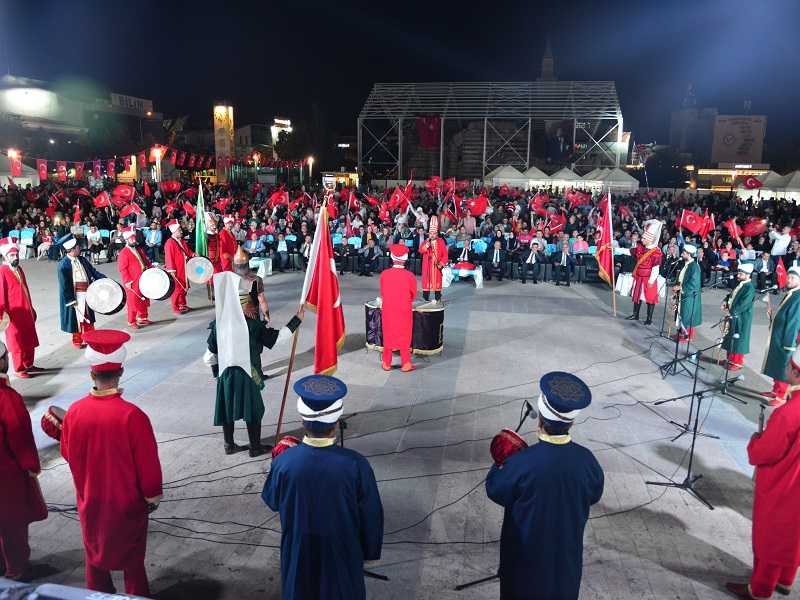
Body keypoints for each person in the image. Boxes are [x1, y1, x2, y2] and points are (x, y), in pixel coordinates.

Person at [262, 375, 383, 600]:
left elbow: (272, 500)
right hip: (341, 550)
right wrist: (370, 552)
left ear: (302, 420)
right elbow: (371, 513)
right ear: (336, 423)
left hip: (299, 550)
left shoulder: (284, 462)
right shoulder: (356, 464)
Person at [60, 329, 162, 597]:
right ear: (121, 372)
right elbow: (148, 466)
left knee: (95, 557)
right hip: (126, 504)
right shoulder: (133, 416)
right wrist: (151, 496)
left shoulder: (74, 412)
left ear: (92, 373)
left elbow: (68, 453)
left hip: (90, 500)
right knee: (132, 563)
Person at [486, 371, 604, 600]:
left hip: (524, 565)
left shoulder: (521, 462)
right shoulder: (587, 460)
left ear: (540, 418)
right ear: (572, 421)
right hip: (565, 567)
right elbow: (595, 494)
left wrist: (500, 461)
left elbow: (495, 489)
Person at [725, 347, 800, 599]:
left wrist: (756, 441)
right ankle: (785, 580)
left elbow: (765, 452)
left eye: (789, 365)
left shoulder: (789, 413)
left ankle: (760, 589)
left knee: (772, 534)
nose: (786, 368)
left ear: (797, 372)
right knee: (794, 535)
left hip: (785, 483)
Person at [204, 271, 303, 456]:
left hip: (226, 375)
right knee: (253, 410)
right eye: (249, 302)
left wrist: (218, 373)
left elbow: (209, 355)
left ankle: (229, 445)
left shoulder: (218, 324)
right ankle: (255, 447)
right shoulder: (252, 325)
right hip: (248, 374)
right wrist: (297, 320)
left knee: (227, 409)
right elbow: (277, 338)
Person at [0, 340, 42, 580]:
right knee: (12, 525)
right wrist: (31, 466)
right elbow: (20, 435)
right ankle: (16, 571)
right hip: (6, 474)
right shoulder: (7, 398)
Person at [0, 238, 41, 377]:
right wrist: (3, 315)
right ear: (5, 256)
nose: (15, 257)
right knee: (17, 342)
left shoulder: (19, 269)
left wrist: (31, 307)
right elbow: (1, 295)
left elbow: (25, 290)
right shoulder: (2, 271)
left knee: (29, 338)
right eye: (12, 255)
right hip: (13, 314)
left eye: (16, 254)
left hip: (26, 310)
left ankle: (28, 364)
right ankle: (19, 369)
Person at [57, 234, 106, 348]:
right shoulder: (63, 265)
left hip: (87, 292)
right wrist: (71, 300)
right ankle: (77, 341)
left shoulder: (82, 259)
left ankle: (92, 339)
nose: (80, 248)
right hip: (75, 296)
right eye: (78, 247)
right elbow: (64, 285)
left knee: (88, 317)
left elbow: (93, 271)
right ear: (72, 249)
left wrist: (103, 278)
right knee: (77, 320)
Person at [761, 266, 800, 405]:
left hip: (786, 339)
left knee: (783, 366)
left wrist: (789, 344)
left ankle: (781, 395)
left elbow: (794, 322)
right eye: (788, 277)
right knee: (776, 364)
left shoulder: (798, 297)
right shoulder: (792, 293)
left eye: (793, 278)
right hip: (779, 336)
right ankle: (776, 389)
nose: (789, 280)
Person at [379, 244, 417, 372]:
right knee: (404, 334)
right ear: (405, 258)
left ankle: (386, 362)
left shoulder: (384, 274)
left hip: (388, 308)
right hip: (404, 309)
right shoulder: (410, 276)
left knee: (388, 333)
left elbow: (383, 292)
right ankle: (406, 363)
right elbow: (413, 294)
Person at [626, 219, 663, 325]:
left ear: (649, 240)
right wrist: (615, 250)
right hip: (639, 277)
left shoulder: (656, 252)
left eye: (643, 238)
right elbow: (629, 252)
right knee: (637, 295)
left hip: (648, 278)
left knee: (650, 298)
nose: (641, 239)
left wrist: (651, 280)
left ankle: (649, 318)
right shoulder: (640, 248)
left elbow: (655, 268)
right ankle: (635, 314)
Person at [117, 225, 152, 330]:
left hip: (142, 278)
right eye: (132, 238)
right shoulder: (123, 253)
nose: (134, 239)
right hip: (132, 281)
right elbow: (123, 269)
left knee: (144, 298)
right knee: (133, 301)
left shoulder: (138, 249)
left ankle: (143, 318)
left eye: (134, 237)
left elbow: (146, 261)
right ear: (127, 239)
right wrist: (127, 281)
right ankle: (131, 321)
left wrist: (152, 268)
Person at [721, 263, 755, 371]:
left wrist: (731, 312)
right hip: (734, 315)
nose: (738, 275)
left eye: (740, 274)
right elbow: (731, 295)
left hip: (742, 318)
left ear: (747, 275)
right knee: (730, 337)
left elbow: (742, 305)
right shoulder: (740, 284)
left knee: (739, 339)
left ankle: (737, 362)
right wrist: (725, 301)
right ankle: (729, 359)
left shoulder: (749, 288)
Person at [672, 243, 702, 342]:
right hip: (683, 294)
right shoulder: (687, 264)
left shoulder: (694, 267)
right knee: (681, 315)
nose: (681, 255)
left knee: (687, 316)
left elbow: (693, 283)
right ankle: (680, 334)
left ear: (689, 254)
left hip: (690, 296)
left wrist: (680, 287)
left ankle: (686, 337)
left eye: (683, 253)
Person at [164, 219, 194, 315]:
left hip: (184, 268)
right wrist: (171, 270)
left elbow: (187, 251)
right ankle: (175, 306)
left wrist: (193, 254)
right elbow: (169, 257)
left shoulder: (182, 241)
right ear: (174, 231)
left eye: (180, 229)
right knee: (177, 289)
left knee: (184, 287)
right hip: (176, 269)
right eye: (179, 230)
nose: (181, 231)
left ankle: (182, 304)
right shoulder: (169, 242)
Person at [419, 216, 448, 303]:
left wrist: (441, 263)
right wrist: (427, 245)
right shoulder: (426, 241)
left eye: (433, 233)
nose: (432, 235)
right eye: (430, 233)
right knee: (426, 284)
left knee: (437, 284)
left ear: (437, 234)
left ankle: (438, 299)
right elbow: (420, 250)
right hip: (427, 267)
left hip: (436, 266)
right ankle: (425, 299)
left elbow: (445, 255)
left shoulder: (441, 241)